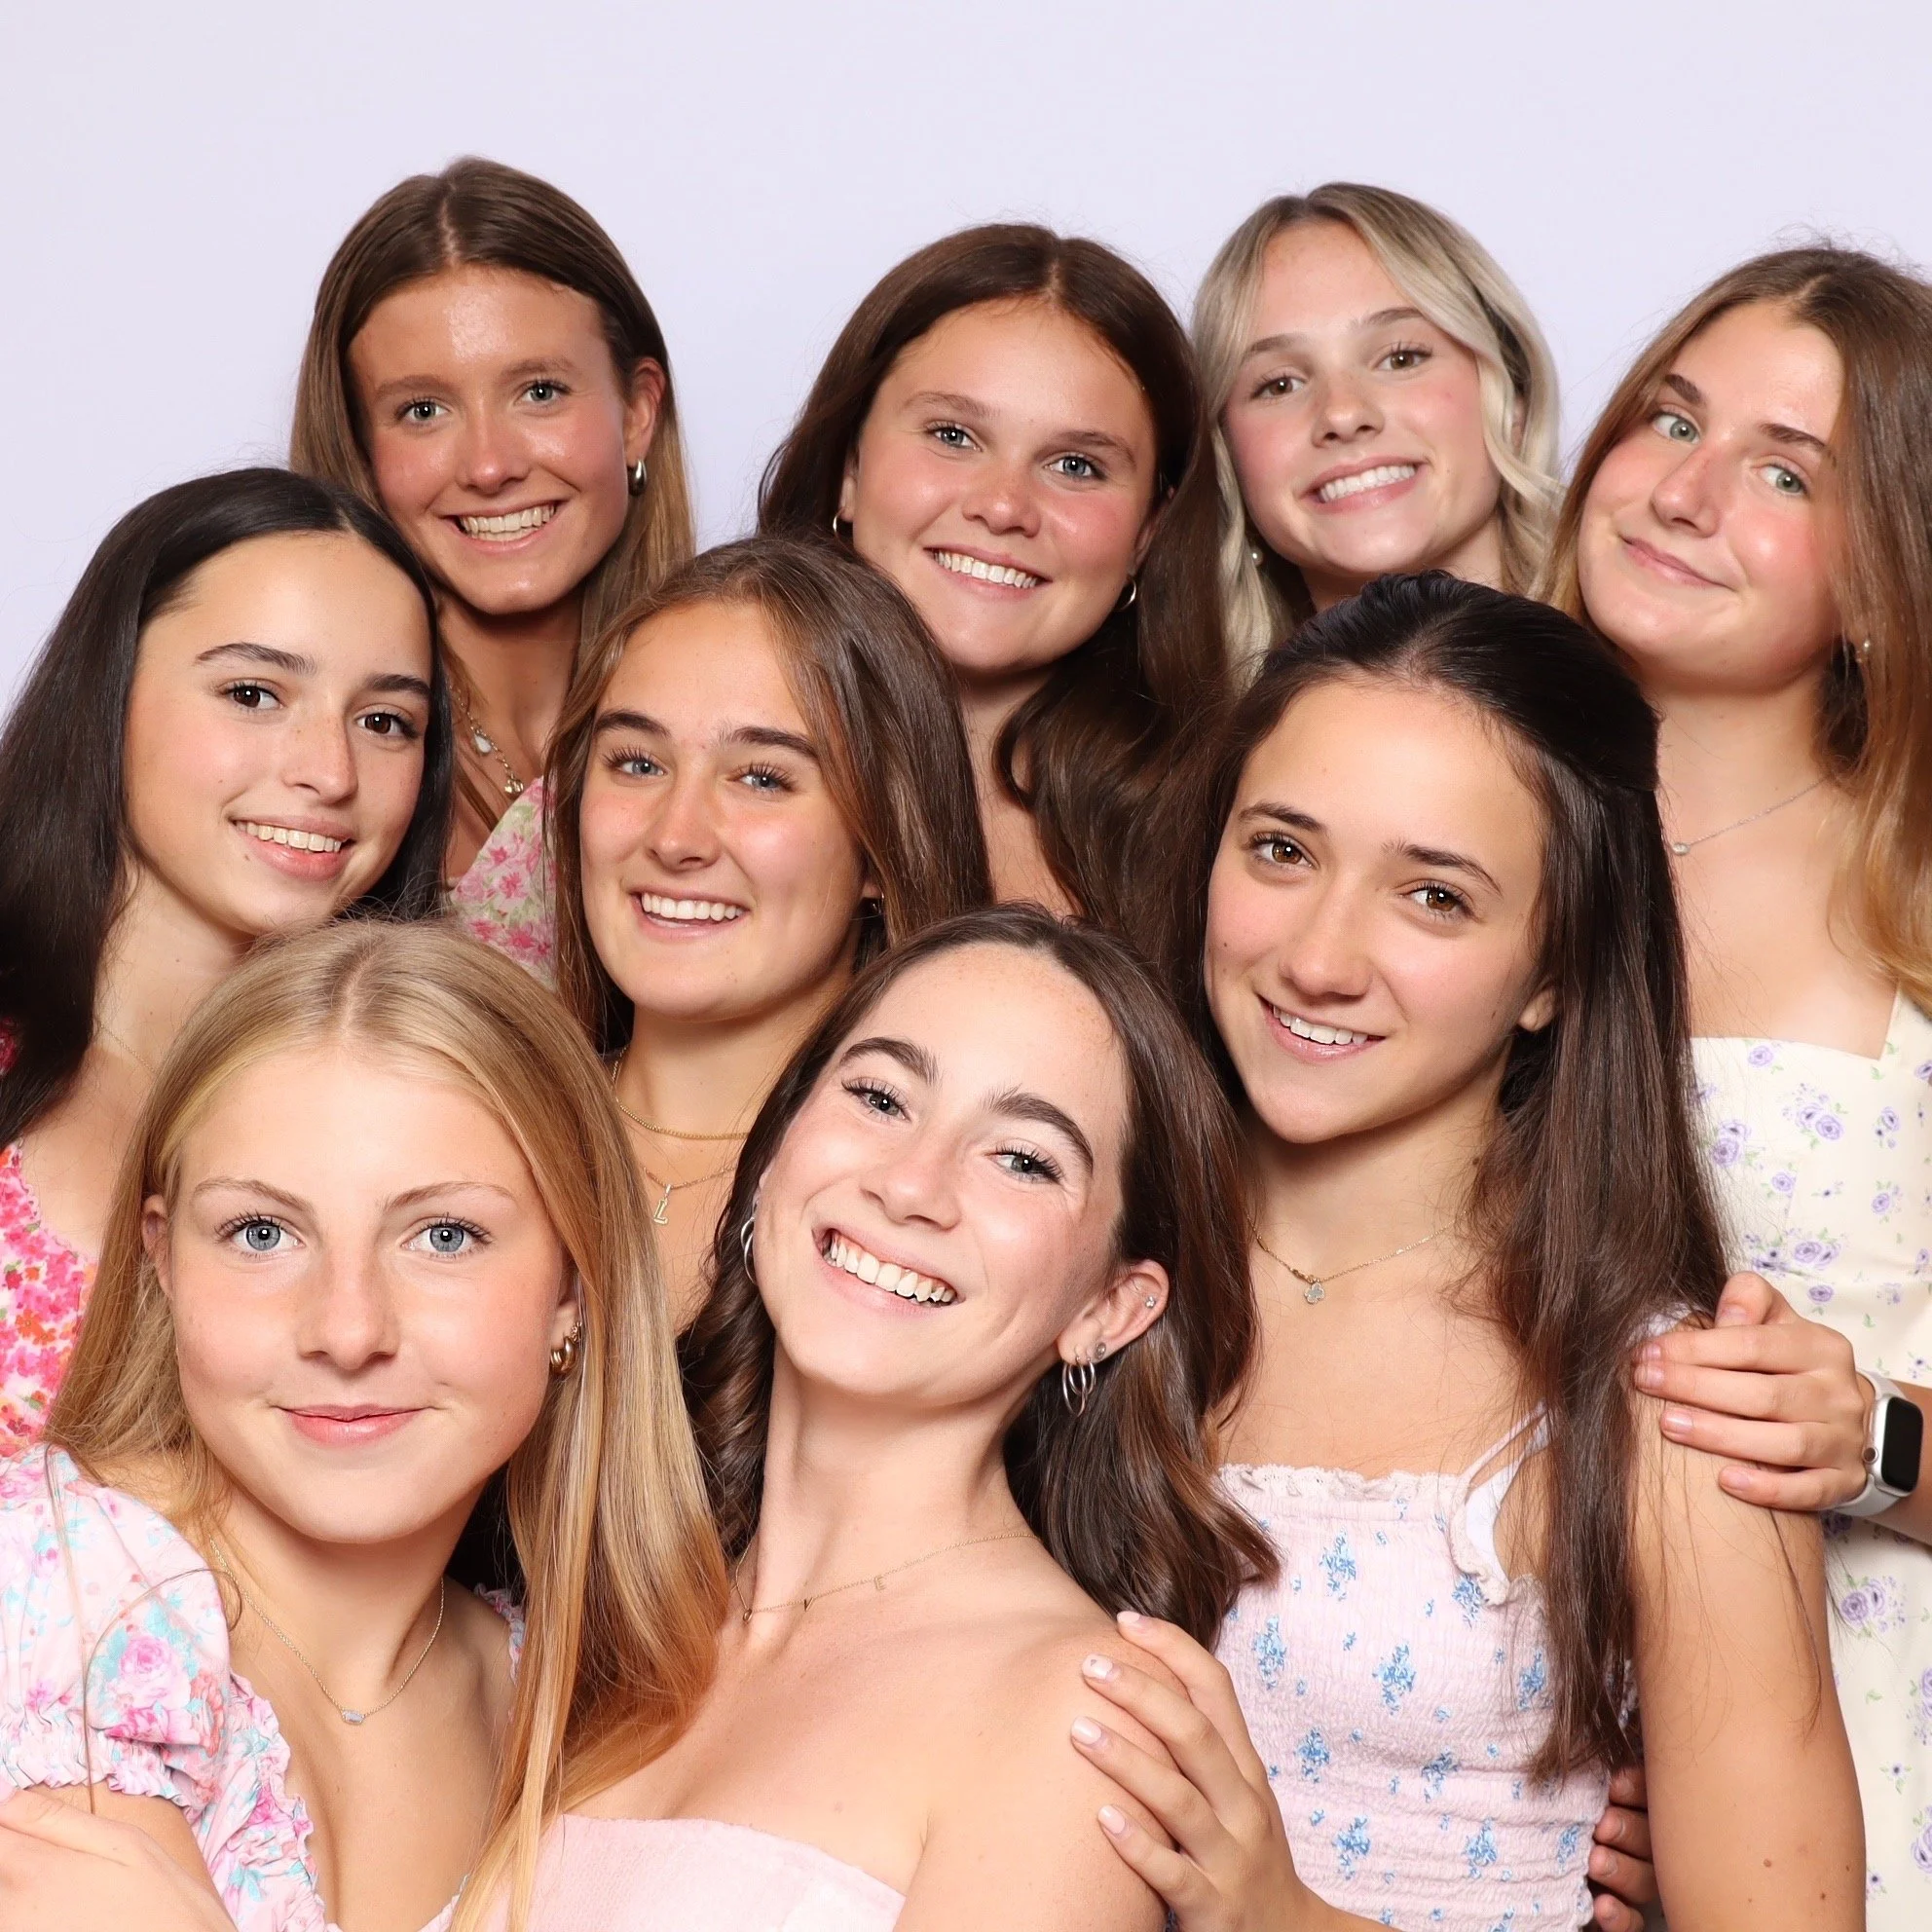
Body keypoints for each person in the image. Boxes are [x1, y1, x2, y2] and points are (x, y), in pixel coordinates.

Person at [1078, 576, 1861, 1931]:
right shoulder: (1056, 1264)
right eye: (1280, 850)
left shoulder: (1662, 1400)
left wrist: (1287, 1919)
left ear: (1556, 968)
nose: (1321, 955)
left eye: (1433, 896)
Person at [473, 905, 1271, 1928]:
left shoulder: (1074, 1723)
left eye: (1023, 1158)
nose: (911, 1185)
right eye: (879, 1095)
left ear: (1107, 1310)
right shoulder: (603, 1611)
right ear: (777, 1150)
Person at [0, 922, 724, 1930]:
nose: (347, 1330)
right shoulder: (53, 1591)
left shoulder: (567, 1698)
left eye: (443, 1236)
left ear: (573, 1282)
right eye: (262, 1233)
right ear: (162, 1262)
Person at [1543, 245, 1932, 1918]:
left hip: (1860, 1749)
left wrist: (1880, 1436)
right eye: (1665, 417)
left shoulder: (1911, 900)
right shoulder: (1436, 853)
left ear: (1877, 578)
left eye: (1782, 468)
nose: (1684, 491)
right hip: (1495, 1754)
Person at [0, 467, 452, 1449]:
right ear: (107, 691)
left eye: (385, 722)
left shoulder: (426, 1107)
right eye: (253, 692)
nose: (329, 772)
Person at [546, 535, 990, 1321]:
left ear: (880, 851)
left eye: (761, 778)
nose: (676, 837)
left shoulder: (926, 1203)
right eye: (637, 763)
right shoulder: (484, 1126)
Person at [291, 156, 695, 975]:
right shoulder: (309, 755)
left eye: (539, 392)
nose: (488, 465)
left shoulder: (750, 710)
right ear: (362, 452)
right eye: (423, 410)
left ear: (637, 412)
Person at [760, 225, 1225, 931]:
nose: (1004, 507)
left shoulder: (1224, 830)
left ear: (1147, 533)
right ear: (849, 468)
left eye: (1076, 466)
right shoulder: (679, 763)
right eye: (953, 436)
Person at [1193, 184, 1559, 665]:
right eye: (1279, 385)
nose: (1342, 414)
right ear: (1228, 459)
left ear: (1512, 396)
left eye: (1400, 358)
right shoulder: (1205, 736)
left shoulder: (1665, 695)